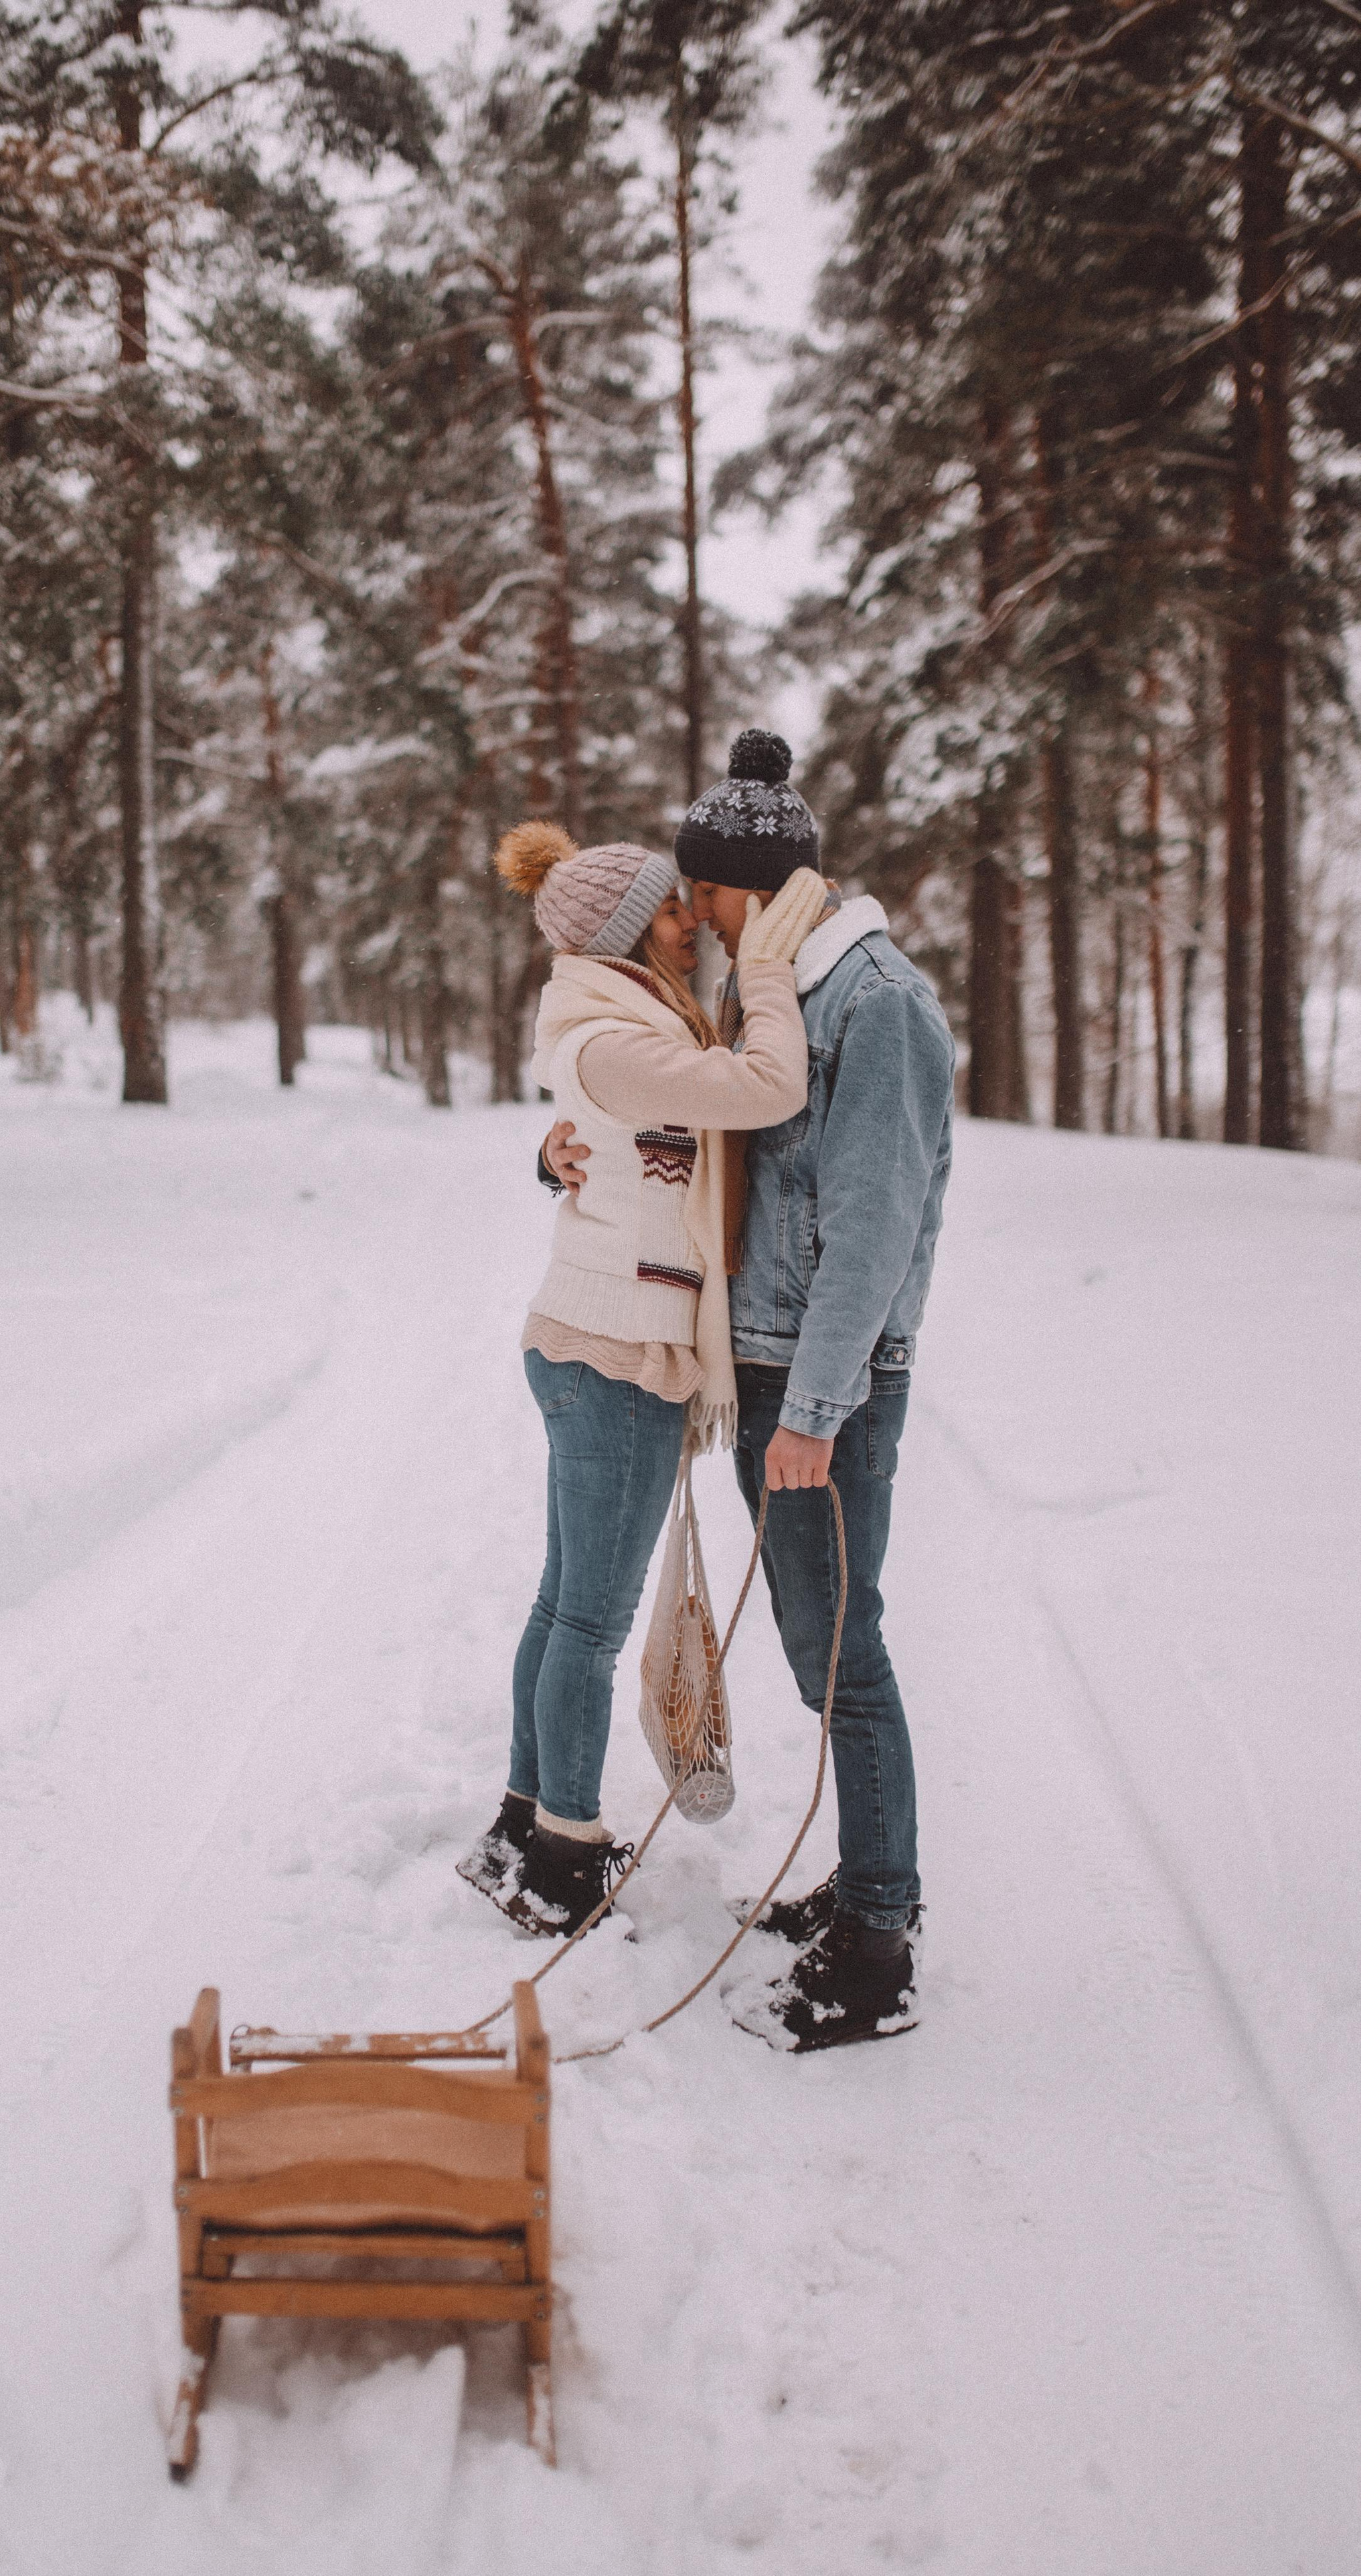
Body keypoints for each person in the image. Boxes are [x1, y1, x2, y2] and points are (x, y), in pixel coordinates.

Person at [543, 729, 955, 2050]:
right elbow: (682, 1130)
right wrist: (560, 1148)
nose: (695, 919)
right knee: (811, 1644)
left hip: (820, 1387)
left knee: (846, 1655)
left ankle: (877, 1941)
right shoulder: (780, 988)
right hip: (768, 1366)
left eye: (701, 893)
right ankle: (858, 1885)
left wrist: (816, 1416)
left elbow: (875, 1227)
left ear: (746, 888)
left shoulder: (870, 1002)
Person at [459, 819, 830, 1939]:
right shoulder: (611, 1034)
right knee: (591, 1621)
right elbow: (764, 1085)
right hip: (612, 1354)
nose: (695, 921)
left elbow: (632, 1142)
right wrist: (767, 968)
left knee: (562, 1606)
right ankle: (564, 1855)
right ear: (629, 936)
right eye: (676, 909)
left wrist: (550, 1155)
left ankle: (522, 1823)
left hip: (601, 1341)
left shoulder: (628, 1014)